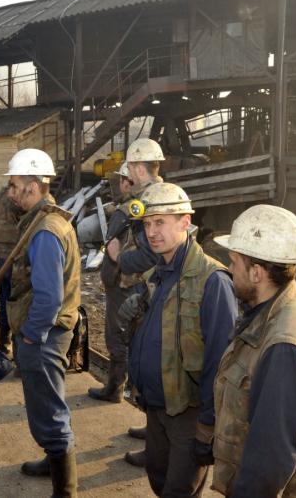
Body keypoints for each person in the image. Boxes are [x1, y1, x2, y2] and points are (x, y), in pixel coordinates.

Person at [211, 205, 296, 497]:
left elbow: (268, 462)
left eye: (234, 262)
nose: (229, 269)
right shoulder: (280, 311)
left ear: (257, 272)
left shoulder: (285, 344)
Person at [124, 182, 237, 497]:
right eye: (147, 224)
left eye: (160, 222)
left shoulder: (212, 281)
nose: (152, 231)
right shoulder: (157, 274)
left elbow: (221, 361)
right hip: (156, 408)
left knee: (178, 490)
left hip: (188, 414)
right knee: (158, 480)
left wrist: (207, 426)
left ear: (185, 223)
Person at [4, 148, 80, 497]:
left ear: (33, 187)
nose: (10, 192)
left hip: (45, 334)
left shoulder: (46, 231)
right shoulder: (45, 220)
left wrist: (32, 337)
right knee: (46, 403)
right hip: (50, 329)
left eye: (14, 185)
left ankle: (65, 490)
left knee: (49, 410)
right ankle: (53, 459)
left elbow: (48, 298)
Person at [105, 139, 165, 466]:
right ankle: (152, 427)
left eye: (129, 167)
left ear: (139, 168)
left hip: (149, 290)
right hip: (152, 289)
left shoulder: (150, 201)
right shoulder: (163, 194)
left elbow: (148, 251)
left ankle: (157, 445)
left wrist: (120, 259)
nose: (127, 172)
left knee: (152, 360)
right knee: (148, 358)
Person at [89, 162, 135, 402]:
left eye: (120, 181)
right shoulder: (130, 209)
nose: (117, 186)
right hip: (124, 283)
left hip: (121, 284)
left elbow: (116, 246)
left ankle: (116, 388)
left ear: (128, 183)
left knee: (116, 335)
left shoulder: (126, 212)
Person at [0, 185, 24, 355]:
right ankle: (19, 354)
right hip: (20, 259)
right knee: (20, 305)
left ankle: (3, 343)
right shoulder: (20, 198)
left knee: (4, 301)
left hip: (2, 258)